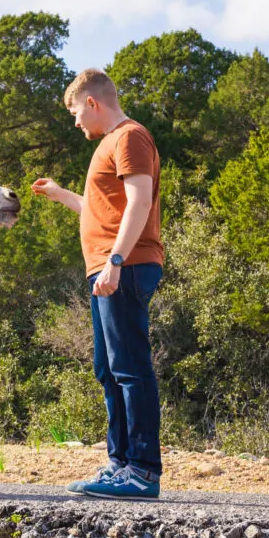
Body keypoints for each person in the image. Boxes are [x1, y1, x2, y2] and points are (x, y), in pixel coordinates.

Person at [31, 68, 165, 499]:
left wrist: (117, 261)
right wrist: (60, 194)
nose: (75, 123)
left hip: (123, 267)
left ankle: (142, 472)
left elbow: (139, 201)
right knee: (109, 370)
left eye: (75, 112)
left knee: (130, 368)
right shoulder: (110, 144)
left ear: (92, 102)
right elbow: (102, 209)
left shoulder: (129, 137)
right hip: (108, 269)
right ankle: (119, 464)